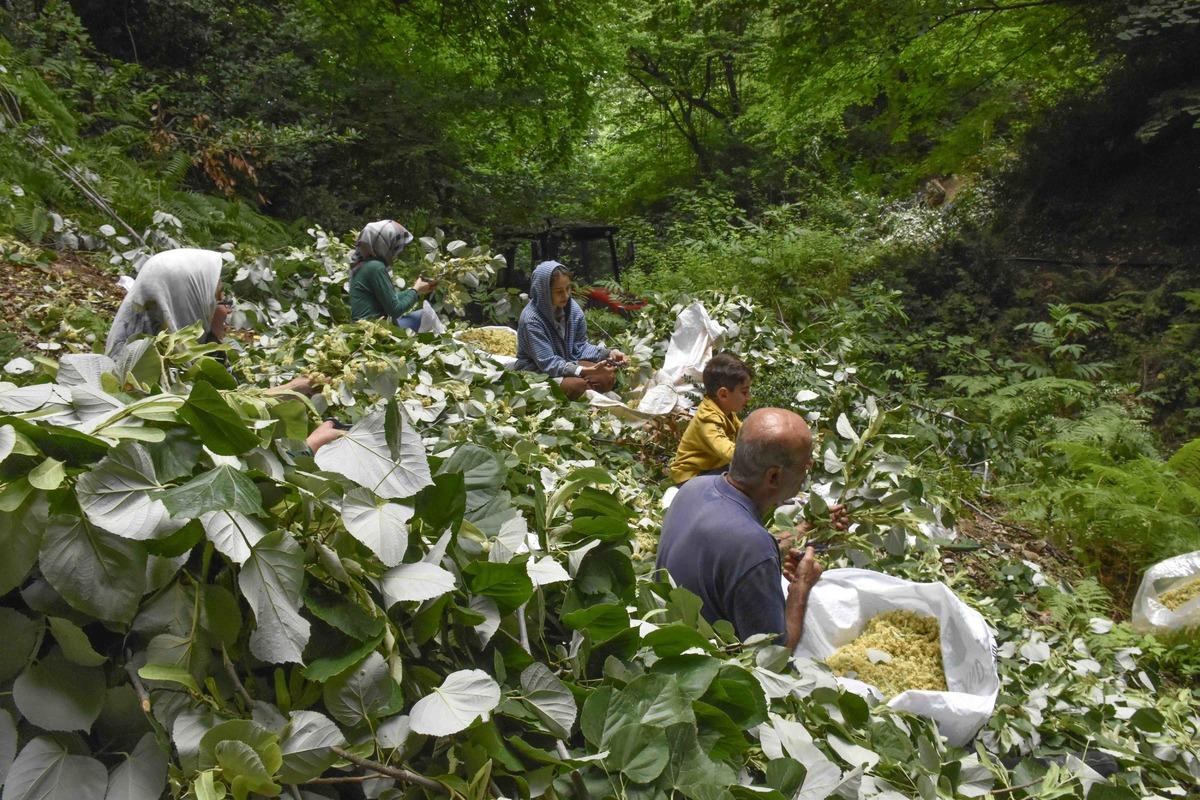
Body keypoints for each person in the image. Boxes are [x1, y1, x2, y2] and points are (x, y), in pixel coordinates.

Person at [105, 248, 341, 452]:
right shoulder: (145, 385)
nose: (229, 310)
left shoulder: (174, 356)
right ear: (187, 302)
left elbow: (225, 402)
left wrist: (291, 389)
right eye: (217, 299)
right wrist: (311, 447)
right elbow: (218, 438)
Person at [656, 408, 849, 648]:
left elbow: (735, 545)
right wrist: (801, 586)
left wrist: (809, 528)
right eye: (805, 465)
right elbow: (773, 656)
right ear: (774, 477)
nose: (807, 469)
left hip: (666, 634)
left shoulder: (694, 487)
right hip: (713, 666)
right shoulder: (753, 548)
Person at [514, 260, 628, 400]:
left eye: (568, 288)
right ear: (544, 292)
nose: (566, 295)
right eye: (559, 291)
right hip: (537, 371)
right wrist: (582, 370)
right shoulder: (531, 320)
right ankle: (591, 396)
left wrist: (608, 354)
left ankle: (590, 395)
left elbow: (579, 346)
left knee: (606, 376)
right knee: (576, 386)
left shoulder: (572, 310)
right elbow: (548, 363)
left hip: (567, 361)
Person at [670, 352, 752, 484]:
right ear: (724, 394)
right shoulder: (708, 418)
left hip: (712, 469)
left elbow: (743, 432)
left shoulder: (725, 410)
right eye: (744, 392)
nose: (748, 397)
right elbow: (726, 450)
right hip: (691, 477)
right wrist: (758, 456)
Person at [348, 220, 437, 331]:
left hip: (365, 327)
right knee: (428, 316)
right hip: (374, 331)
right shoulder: (375, 267)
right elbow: (395, 310)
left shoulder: (362, 264)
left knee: (423, 314)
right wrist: (415, 290)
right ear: (385, 243)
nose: (398, 252)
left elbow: (390, 300)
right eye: (396, 246)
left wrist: (417, 290)